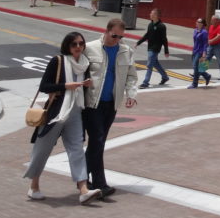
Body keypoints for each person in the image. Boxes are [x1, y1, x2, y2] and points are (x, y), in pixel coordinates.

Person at [23, 32, 101, 205]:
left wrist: (87, 85)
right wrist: (66, 86)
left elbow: (83, 89)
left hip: (75, 112)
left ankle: (83, 190)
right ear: (67, 46)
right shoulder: (58, 61)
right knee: (42, 149)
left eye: (81, 44)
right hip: (57, 112)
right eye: (74, 44)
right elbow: (44, 86)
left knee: (77, 149)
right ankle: (34, 186)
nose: (78, 47)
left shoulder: (84, 64)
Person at [83, 19, 138, 197]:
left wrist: (131, 95)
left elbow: (131, 75)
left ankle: (82, 176)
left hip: (112, 103)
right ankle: (100, 184)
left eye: (121, 37)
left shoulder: (125, 51)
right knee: (97, 140)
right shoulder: (90, 48)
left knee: (98, 142)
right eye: (115, 36)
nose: (117, 40)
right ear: (106, 31)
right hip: (92, 103)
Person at [135, 8, 170, 88]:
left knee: (149, 65)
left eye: (152, 13)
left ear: (156, 15)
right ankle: (165, 77)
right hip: (150, 47)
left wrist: (166, 51)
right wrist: (139, 42)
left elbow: (164, 39)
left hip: (156, 48)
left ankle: (145, 82)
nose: (150, 15)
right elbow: (147, 35)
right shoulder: (150, 24)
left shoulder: (162, 26)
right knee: (155, 64)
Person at [188, 18, 212, 88]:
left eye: (198, 22)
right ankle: (207, 76)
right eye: (197, 21)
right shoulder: (195, 30)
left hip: (200, 51)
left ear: (202, 24)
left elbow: (205, 43)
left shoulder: (204, 32)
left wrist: (204, 52)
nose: (197, 23)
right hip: (195, 50)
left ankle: (194, 84)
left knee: (195, 67)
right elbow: (195, 41)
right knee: (196, 67)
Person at [206, 13, 220, 80]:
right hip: (210, 46)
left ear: (217, 20)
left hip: (217, 47)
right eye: (211, 20)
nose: (211, 21)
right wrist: (208, 42)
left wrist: (211, 40)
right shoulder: (211, 26)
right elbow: (209, 35)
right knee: (206, 60)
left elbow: (219, 36)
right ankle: (198, 73)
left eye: (213, 20)